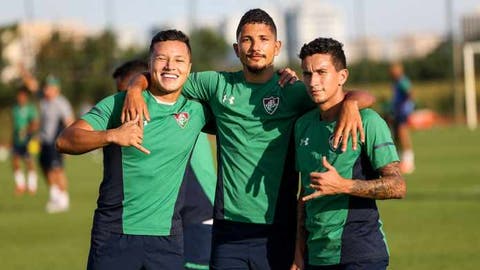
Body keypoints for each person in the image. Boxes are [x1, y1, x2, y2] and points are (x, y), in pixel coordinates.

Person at [123, 9, 375, 270]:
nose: (255, 47)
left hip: (279, 228)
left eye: (264, 39)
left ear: (277, 47)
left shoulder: (294, 90)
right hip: (228, 230)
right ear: (236, 48)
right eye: (247, 40)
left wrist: (352, 102)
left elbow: (356, 95)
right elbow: (164, 78)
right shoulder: (217, 84)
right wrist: (134, 88)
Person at [56, 29, 211, 270]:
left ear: (189, 68)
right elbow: (65, 139)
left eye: (179, 60)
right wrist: (112, 135)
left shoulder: (198, 109)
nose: (170, 66)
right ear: (150, 64)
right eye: (161, 59)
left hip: (167, 239)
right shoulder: (119, 104)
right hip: (114, 235)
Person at [291, 37, 407, 270]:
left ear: (342, 76)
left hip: (360, 254)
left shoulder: (369, 121)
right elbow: (304, 193)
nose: (313, 81)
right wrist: (298, 253)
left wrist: (343, 185)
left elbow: (397, 186)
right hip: (317, 256)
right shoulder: (302, 125)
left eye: (322, 72)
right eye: (307, 73)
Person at [113, 58, 217, 269]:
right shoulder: (139, 125)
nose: (125, 103)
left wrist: (136, 86)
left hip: (199, 214)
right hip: (165, 224)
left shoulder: (182, 108)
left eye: (126, 95)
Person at [21, 70, 74, 213]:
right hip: (43, 141)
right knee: (45, 168)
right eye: (46, 87)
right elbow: (33, 86)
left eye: (49, 87)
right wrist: (23, 73)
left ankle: (64, 199)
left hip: (56, 142)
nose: (46, 89)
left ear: (56, 88)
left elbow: (70, 122)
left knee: (57, 170)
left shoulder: (61, 102)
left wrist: (70, 143)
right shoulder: (43, 99)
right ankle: (54, 195)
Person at [11, 86, 39, 195]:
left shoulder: (31, 108)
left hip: (29, 139)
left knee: (29, 161)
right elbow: (15, 125)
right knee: (15, 161)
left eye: (22, 96)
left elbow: (35, 124)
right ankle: (20, 185)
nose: (20, 98)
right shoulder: (15, 109)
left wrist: (26, 130)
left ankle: (32, 186)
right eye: (19, 96)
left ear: (26, 97)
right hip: (17, 140)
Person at [389, 62, 415, 174]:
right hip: (397, 112)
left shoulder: (403, 81)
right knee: (397, 137)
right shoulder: (396, 82)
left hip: (403, 112)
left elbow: (410, 93)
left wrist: (405, 105)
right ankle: (400, 161)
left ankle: (409, 162)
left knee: (403, 134)